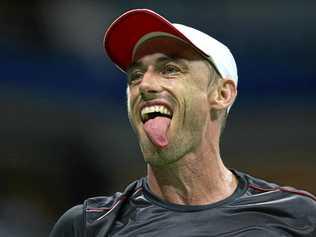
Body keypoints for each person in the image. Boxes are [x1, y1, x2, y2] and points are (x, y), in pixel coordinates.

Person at [50, 9, 316, 237]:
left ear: (222, 94)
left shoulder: (299, 217)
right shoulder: (87, 226)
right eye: (136, 75)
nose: (145, 85)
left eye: (170, 69)